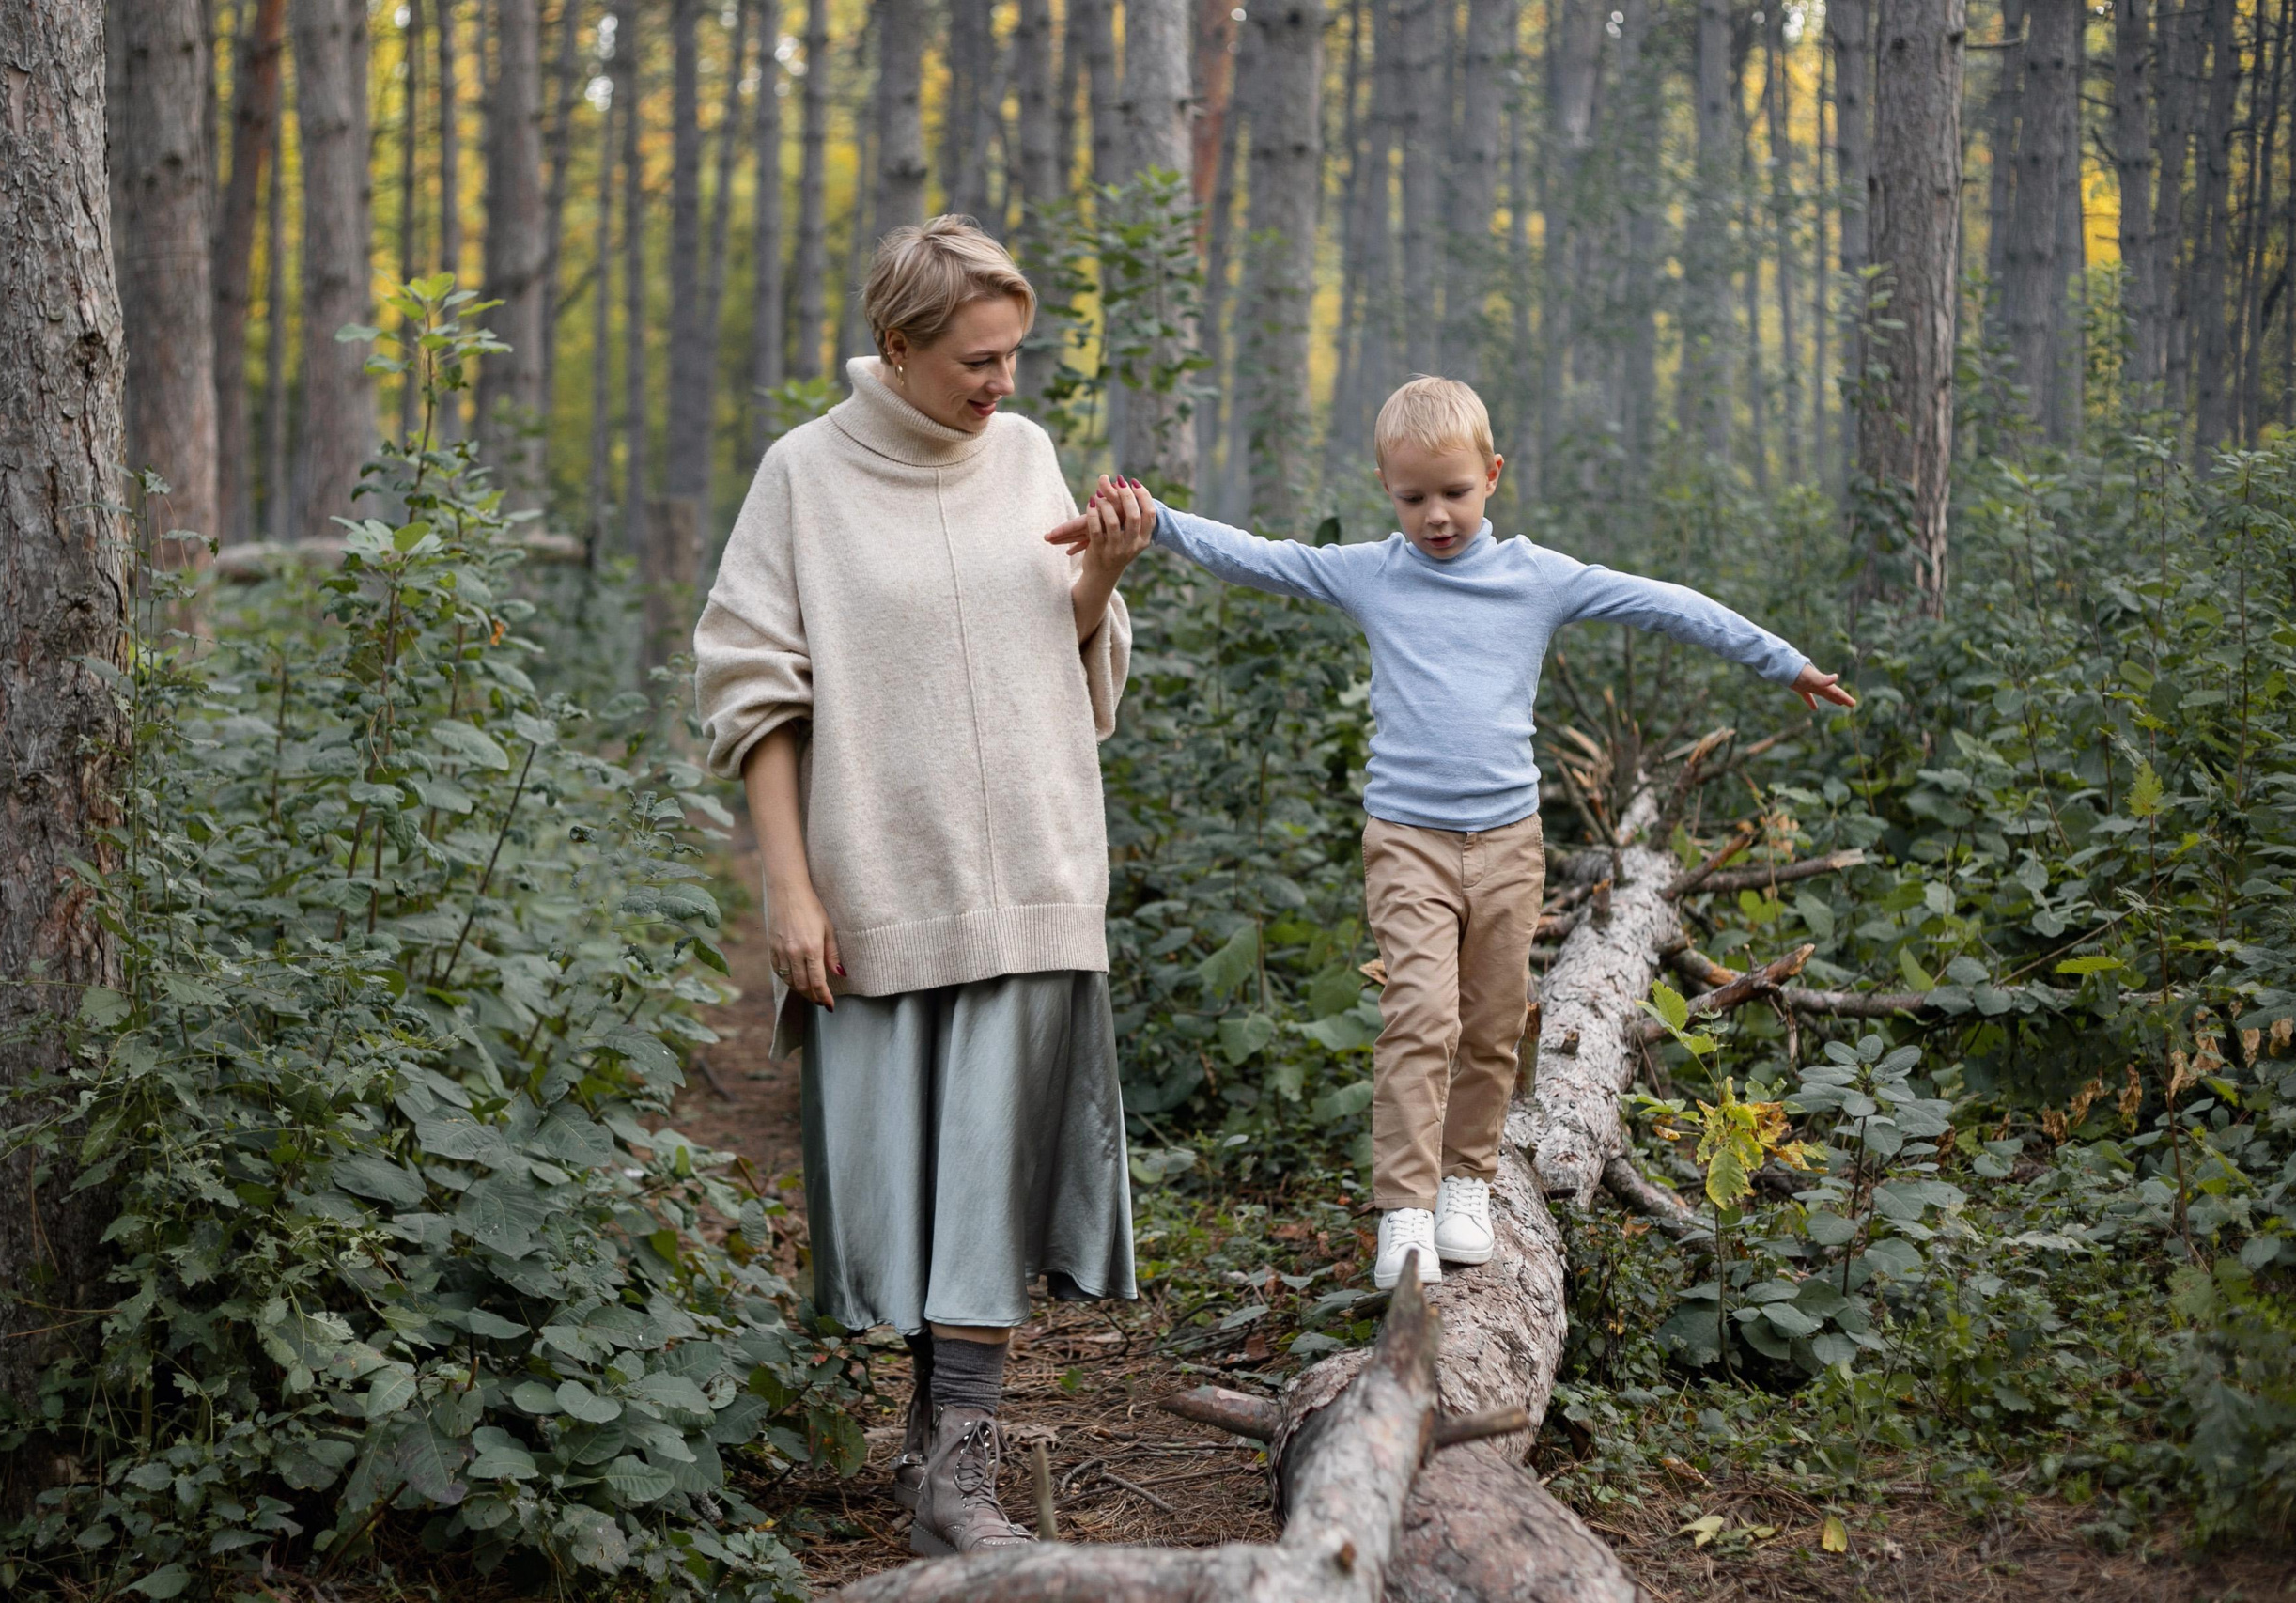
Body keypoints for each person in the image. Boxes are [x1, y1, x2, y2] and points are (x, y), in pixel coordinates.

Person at [1048, 377, 1856, 1291]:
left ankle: (1465, 1183)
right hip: (1408, 841)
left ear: (1492, 475)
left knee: (1494, 1024)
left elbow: (1666, 602)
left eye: (1454, 492)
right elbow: (1261, 557)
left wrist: (1782, 661)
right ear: (1385, 491)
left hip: (1509, 843)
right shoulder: (1372, 574)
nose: (1435, 515)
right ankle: (1403, 1207)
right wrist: (1155, 520)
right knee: (1420, 1017)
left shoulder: (1538, 579)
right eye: (1412, 498)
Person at [693, 217, 1154, 1556]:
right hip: (882, 884)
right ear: (897, 347)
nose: (1003, 382)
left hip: (1037, 869)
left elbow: (1058, 648)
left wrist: (1101, 573)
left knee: (992, 1180)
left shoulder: (1025, 453)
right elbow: (753, 691)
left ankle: (958, 1468)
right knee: (908, 1191)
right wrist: (788, 888)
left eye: (1014, 356)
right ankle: (931, 1438)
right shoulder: (805, 475)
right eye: (977, 358)